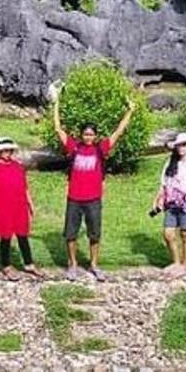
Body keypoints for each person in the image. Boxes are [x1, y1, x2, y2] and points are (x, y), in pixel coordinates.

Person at [53, 86, 137, 282]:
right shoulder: (74, 147)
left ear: (95, 136)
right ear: (81, 135)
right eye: (86, 134)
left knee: (94, 234)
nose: (88, 137)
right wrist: (56, 101)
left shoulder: (100, 149)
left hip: (93, 199)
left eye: (91, 134)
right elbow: (58, 129)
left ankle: (94, 265)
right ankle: (72, 265)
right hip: (74, 199)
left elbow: (119, 131)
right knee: (71, 234)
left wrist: (130, 111)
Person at [0, 137, 41, 281]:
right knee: (6, 236)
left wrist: (30, 202)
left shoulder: (17, 166)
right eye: (4, 150)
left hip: (18, 204)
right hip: (3, 206)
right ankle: (6, 265)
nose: (8, 153)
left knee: (22, 234)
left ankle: (29, 263)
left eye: (9, 150)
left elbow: (24, 186)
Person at [150, 132, 186, 276]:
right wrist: (156, 200)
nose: (182, 148)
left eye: (185, 145)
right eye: (180, 145)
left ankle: (185, 264)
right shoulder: (170, 164)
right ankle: (176, 261)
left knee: (185, 233)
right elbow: (164, 184)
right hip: (171, 203)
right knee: (168, 233)